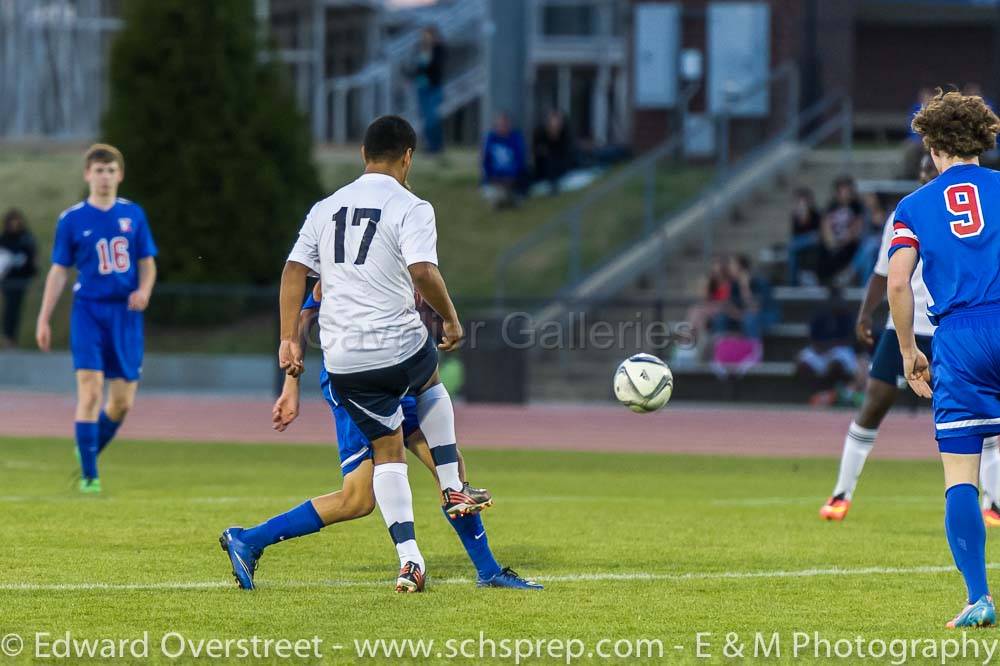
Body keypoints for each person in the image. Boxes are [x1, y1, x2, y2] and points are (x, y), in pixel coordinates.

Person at [221, 116, 483, 594]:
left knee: (420, 467)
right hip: (384, 360)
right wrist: (292, 380)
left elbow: (295, 278)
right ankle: (251, 538)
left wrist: (287, 354)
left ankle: (474, 564)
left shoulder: (327, 212)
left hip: (351, 363)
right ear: (408, 157)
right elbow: (315, 301)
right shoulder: (407, 211)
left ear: (363, 153)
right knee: (366, 492)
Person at [242, 282, 541, 591]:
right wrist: (292, 385)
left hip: (394, 373)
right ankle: (250, 539)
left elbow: (419, 283)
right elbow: (306, 308)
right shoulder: (344, 254)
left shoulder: (392, 247)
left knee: (449, 467)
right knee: (356, 500)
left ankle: (487, 571)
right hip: (353, 383)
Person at [819, 155, 1000, 524]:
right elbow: (885, 274)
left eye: (928, 168)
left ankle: (992, 500)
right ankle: (842, 492)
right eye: (920, 171)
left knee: (983, 411)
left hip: (952, 325)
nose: (924, 174)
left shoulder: (949, 204)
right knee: (875, 402)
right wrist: (866, 312)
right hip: (909, 324)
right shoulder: (910, 211)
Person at [887, 89, 1000, 628]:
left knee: (962, 475)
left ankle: (979, 597)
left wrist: (911, 351)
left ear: (932, 147)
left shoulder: (912, 207)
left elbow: (897, 285)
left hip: (958, 338)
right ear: (983, 140)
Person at [34, 144, 157, 494]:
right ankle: (90, 476)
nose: (104, 177)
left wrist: (144, 290)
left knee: (121, 403)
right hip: (88, 311)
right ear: (88, 175)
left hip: (126, 315)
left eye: (110, 170)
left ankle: (87, 446)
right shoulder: (71, 219)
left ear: (119, 174)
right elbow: (59, 271)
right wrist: (43, 318)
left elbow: (147, 262)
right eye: (98, 170)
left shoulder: (134, 215)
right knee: (89, 391)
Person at [0, 208, 37, 347]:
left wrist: (33, 275)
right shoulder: (4, 239)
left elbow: (33, 260)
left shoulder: (26, 239)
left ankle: (12, 338)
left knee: (16, 309)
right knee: (9, 309)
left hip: (21, 280)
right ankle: (7, 337)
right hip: (7, 281)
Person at [818, 176, 865, 284]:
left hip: (849, 241)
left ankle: (843, 278)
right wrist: (831, 240)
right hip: (834, 240)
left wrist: (844, 240)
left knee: (847, 250)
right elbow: (825, 225)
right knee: (823, 248)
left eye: (847, 190)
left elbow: (858, 227)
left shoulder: (856, 207)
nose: (845, 193)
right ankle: (824, 280)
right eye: (842, 190)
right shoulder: (831, 206)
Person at [481, 112, 527, 208]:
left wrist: (510, 178)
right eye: (500, 124)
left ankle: (509, 198)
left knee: (516, 186)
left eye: (505, 124)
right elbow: (486, 162)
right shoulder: (491, 139)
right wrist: (493, 178)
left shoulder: (515, 138)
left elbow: (520, 161)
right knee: (492, 193)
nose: (503, 127)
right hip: (495, 180)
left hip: (511, 180)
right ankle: (506, 200)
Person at [413, 27, 445, 155]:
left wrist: (430, 51)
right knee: (426, 118)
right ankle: (429, 145)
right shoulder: (421, 50)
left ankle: (436, 146)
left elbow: (435, 66)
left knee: (433, 118)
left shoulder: (438, 50)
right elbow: (418, 68)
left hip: (433, 87)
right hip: (422, 87)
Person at [532, 109, 575, 194]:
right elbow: (538, 150)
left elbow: (566, 150)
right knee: (550, 161)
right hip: (545, 164)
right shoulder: (540, 132)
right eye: (553, 120)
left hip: (561, 162)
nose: (556, 123)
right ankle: (553, 185)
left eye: (558, 121)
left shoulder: (564, 132)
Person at [786, 187, 822, 286]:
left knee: (793, 246)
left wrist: (805, 211)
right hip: (800, 241)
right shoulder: (795, 215)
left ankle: (793, 283)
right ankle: (793, 283)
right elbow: (796, 233)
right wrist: (801, 212)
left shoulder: (816, 213)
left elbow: (817, 232)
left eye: (803, 200)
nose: (801, 203)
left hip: (813, 239)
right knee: (792, 250)